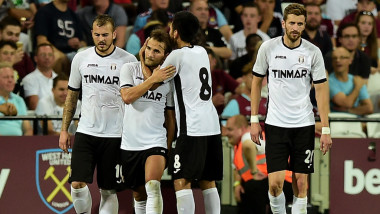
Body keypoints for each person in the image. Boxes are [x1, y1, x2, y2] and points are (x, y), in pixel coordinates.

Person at [250, 3, 332, 214]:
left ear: (304, 26)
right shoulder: (268, 48)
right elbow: (256, 82)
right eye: (292, 23)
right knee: (275, 185)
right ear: (284, 23)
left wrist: (325, 129)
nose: (295, 27)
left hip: (303, 124)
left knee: (301, 183)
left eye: (300, 24)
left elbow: (322, 90)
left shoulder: (313, 52)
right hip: (275, 124)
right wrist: (253, 119)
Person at [58, 14, 137, 214]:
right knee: (76, 184)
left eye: (105, 35)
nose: (101, 39)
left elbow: (136, 97)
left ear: (114, 34)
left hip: (115, 135)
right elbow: (71, 96)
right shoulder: (81, 58)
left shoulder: (128, 60)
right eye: (97, 35)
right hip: (86, 132)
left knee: (108, 190)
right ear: (92, 34)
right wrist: (64, 130)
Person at [160, 11, 223, 214]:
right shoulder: (203, 52)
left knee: (181, 179)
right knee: (208, 180)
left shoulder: (176, 56)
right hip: (212, 124)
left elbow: (155, 81)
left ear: (175, 32)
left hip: (192, 126)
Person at [119, 29, 176, 214]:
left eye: (156, 51)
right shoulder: (129, 68)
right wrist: (152, 78)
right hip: (130, 143)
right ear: (143, 47)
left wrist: (167, 148)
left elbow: (170, 117)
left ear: (165, 55)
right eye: (149, 48)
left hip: (155, 141)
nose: (151, 54)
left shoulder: (169, 78)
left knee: (153, 185)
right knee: (139, 195)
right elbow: (127, 97)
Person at [226, 114, 268, 214]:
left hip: (272, 181)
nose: (226, 133)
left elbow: (248, 145)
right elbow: (236, 168)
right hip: (261, 183)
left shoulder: (247, 136)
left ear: (242, 128)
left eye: (230, 129)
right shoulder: (237, 144)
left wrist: (254, 172)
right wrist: (237, 184)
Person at [34, 0, 86, 75]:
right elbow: (41, 40)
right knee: (58, 57)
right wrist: (62, 55)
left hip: (72, 54)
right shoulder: (44, 12)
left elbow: (83, 42)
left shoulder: (73, 15)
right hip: (54, 52)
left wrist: (78, 44)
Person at [329, 47, 373, 116]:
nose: (337, 60)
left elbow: (369, 108)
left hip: (356, 123)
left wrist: (348, 111)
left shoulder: (355, 79)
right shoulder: (328, 81)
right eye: (334, 58)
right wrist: (357, 87)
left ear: (350, 60)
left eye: (342, 57)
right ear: (332, 62)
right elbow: (347, 103)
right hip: (338, 123)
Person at [0, 62, 32, 136]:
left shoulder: (19, 100)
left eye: (12, 77)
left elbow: (28, 129)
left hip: (18, 142)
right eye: (6, 77)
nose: (10, 80)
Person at [22, 43, 57, 110]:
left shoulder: (59, 79)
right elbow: (35, 106)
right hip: (42, 118)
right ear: (35, 58)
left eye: (50, 55)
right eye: (43, 55)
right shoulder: (29, 79)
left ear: (54, 58)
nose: (47, 57)